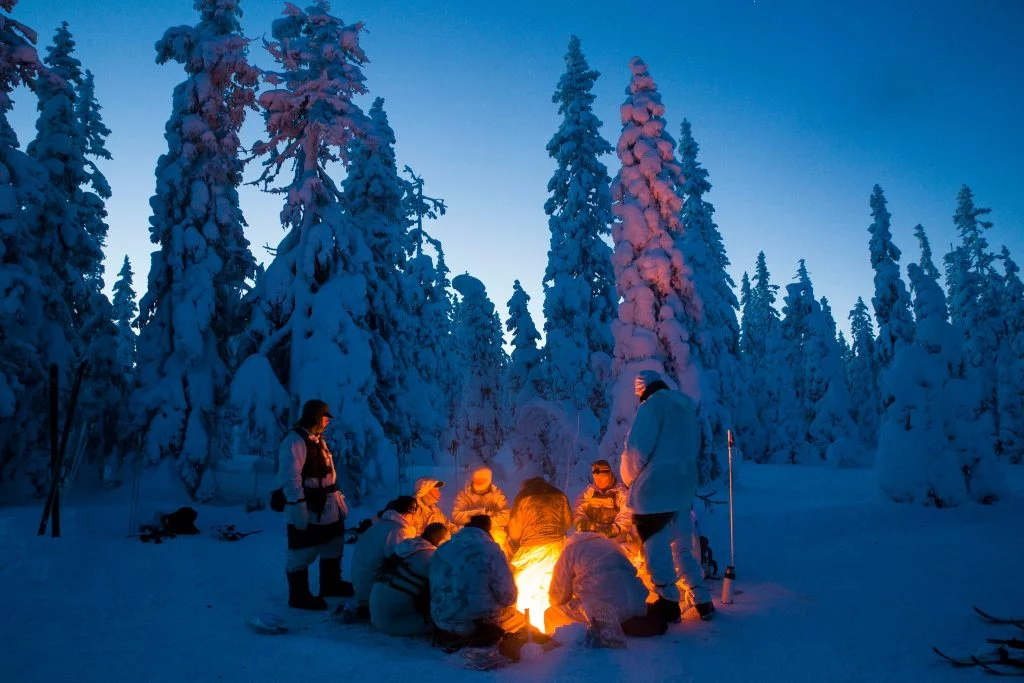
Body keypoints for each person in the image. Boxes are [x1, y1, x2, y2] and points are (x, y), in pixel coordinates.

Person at [621, 370, 714, 623]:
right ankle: (702, 598)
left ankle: (667, 603)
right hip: (682, 489)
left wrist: (630, 481)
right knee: (683, 548)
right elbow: (694, 446)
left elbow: (637, 451)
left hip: (655, 492)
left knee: (656, 548)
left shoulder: (651, 408)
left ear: (643, 389)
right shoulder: (684, 408)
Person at [279, 399, 352, 611]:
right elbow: (290, 478)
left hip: (329, 505)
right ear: (314, 417)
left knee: (333, 543)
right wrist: (298, 506)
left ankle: (331, 585)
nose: (328, 421)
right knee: (302, 550)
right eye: (325, 417)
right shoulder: (295, 441)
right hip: (307, 506)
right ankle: (298, 595)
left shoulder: (317, 439)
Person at [544, 531, 666, 638]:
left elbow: (557, 595)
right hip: (637, 606)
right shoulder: (612, 544)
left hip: (604, 612)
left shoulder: (570, 550)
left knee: (551, 614)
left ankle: (557, 648)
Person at [429, 515, 526, 643]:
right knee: (520, 619)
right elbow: (508, 597)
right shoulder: (491, 550)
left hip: (441, 620)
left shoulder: (441, 549)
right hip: (474, 624)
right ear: (487, 531)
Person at [370, 522, 450, 637]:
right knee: (446, 624)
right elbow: (442, 589)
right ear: (441, 542)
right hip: (394, 621)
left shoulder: (405, 547)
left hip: (376, 615)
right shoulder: (430, 557)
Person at [349, 495, 419, 619]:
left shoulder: (383, 524)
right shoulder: (398, 530)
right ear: (410, 513)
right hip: (371, 588)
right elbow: (401, 559)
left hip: (363, 582)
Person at [507, 477, 571, 558]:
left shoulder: (522, 497)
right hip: (557, 549)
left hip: (531, 550)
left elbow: (514, 533)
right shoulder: (560, 494)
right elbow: (568, 523)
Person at [451, 465, 511, 548]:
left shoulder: (497, 494)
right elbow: (456, 516)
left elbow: (505, 516)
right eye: (477, 479)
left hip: (493, 531)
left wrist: (486, 522)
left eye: (482, 480)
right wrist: (482, 512)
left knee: (497, 541)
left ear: (489, 479)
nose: (479, 483)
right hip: (470, 531)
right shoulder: (463, 495)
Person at [573, 459, 632, 541]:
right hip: (592, 536)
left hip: (615, 539)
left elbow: (627, 512)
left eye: (602, 477)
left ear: (610, 475)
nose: (598, 481)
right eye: (596, 478)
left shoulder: (621, 492)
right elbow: (579, 506)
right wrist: (581, 521)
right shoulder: (590, 491)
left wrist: (616, 528)